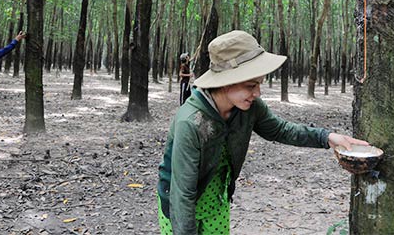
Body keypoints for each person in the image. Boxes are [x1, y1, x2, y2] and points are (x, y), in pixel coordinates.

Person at [157, 30, 369, 235]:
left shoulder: (249, 108)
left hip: (216, 198)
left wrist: (327, 137)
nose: (257, 93)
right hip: (178, 202)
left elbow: (281, 130)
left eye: (258, 84)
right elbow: (182, 194)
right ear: (225, 82)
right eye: (251, 85)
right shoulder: (191, 122)